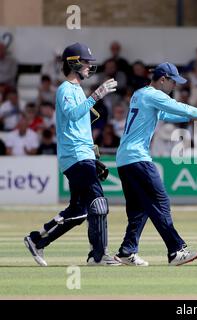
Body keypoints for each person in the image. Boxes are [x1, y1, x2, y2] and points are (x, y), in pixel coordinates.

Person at [113, 62, 197, 266]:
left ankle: (127, 251)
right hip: (138, 158)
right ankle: (175, 250)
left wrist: (196, 118)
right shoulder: (154, 95)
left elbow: (166, 114)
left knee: (140, 208)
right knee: (160, 201)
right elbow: (178, 107)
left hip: (125, 159)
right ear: (163, 79)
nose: (175, 86)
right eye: (173, 82)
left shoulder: (140, 94)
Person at [24, 42, 120, 266]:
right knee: (98, 204)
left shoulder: (77, 89)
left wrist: (92, 154)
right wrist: (97, 95)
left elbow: (80, 126)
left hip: (82, 155)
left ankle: (37, 240)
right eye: (86, 62)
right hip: (74, 156)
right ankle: (98, 256)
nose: (89, 66)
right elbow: (73, 114)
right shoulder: (66, 89)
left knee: (79, 211)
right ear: (74, 63)